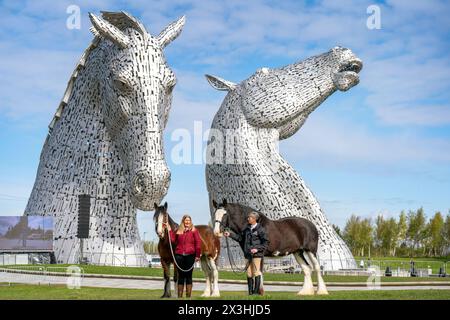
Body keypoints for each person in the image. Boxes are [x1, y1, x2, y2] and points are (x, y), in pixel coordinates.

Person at [224, 211, 269, 295]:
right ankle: (250, 293)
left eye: (250, 217)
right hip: (247, 254)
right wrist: (230, 234)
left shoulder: (260, 229)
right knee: (249, 273)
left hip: (256, 255)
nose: (248, 219)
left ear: (255, 219)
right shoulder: (247, 229)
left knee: (256, 272)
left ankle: (256, 293)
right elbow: (240, 238)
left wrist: (257, 249)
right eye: (248, 217)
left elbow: (265, 243)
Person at [163, 215, 201, 298]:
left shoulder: (194, 231)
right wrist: (169, 229)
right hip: (179, 256)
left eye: (188, 220)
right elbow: (173, 239)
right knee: (181, 276)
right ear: (183, 221)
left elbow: (198, 243)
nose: (187, 222)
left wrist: (197, 255)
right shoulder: (179, 231)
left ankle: (188, 296)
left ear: (190, 222)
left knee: (188, 276)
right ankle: (180, 297)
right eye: (185, 220)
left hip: (190, 256)